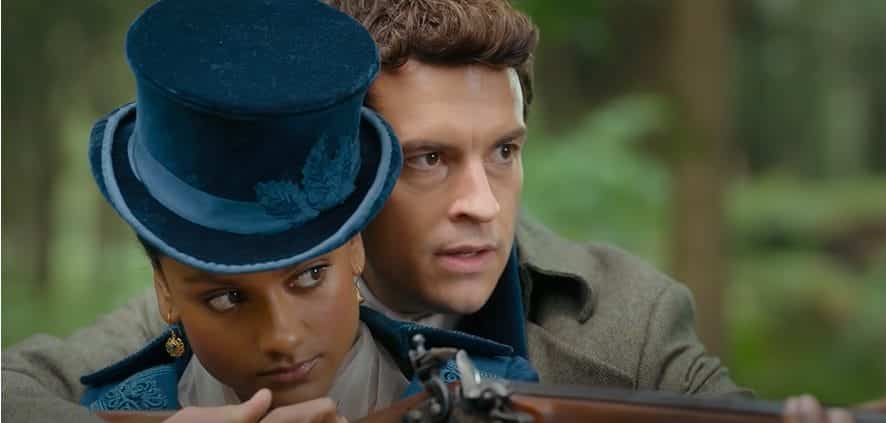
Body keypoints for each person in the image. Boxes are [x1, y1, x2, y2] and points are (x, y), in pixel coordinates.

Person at [2, 1, 886, 422]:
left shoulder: (628, 315)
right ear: (347, 172)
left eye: (506, 153)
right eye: (431, 160)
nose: (482, 205)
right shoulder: (223, 311)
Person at [31, 1, 538, 422]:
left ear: (355, 245)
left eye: (311, 275)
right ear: (165, 292)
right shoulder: (106, 403)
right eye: (229, 297)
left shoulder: (491, 385)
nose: (284, 337)